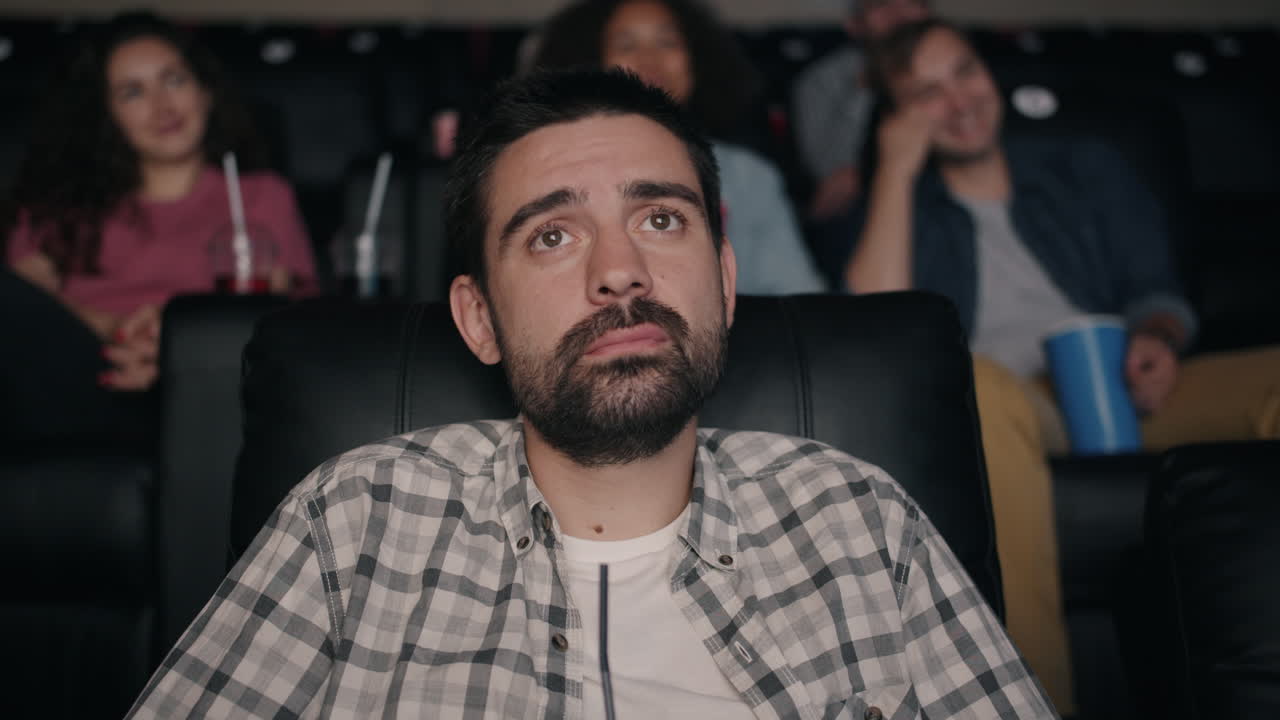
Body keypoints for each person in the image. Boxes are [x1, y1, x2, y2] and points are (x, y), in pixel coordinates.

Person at [128, 69, 1056, 719]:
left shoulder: (861, 520)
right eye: (553, 237)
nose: (622, 272)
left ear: (726, 285)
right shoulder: (354, 518)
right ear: (479, 319)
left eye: (660, 219)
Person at [842, 18, 1280, 715]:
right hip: (1016, 398)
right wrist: (895, 167)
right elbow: (879, 322)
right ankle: (1037, 704)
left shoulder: (1085, 164)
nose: (958, 101)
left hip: (1131, 377)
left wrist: (1157, 338)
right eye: (926, 94)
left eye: (965, 73)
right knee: (980, 389)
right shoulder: (909, 208)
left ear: (991, 76)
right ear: (900, 119)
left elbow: (1156, 288)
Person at [1, 12, 316, 446]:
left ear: (205, 92)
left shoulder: (260, 197)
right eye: (133, 92)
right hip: (68, 390)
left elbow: (295, 327)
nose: (162, 106)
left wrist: (175, 347)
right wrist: (119, 333)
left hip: (206, 393)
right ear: (105, 116)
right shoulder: (53, 211)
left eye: (174, 80)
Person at [534, 0, 827, 295]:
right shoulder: (553, 172)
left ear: (698, 61)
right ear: (589, 63)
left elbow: (799, 300)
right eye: (626, 45)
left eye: (667, 42)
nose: (649, 58)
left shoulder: (748, 176)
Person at [792, 0, 931, 220]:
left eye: (911, 1)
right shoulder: (819, 81)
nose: (899, 13)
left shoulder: (960, 66)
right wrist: (869, 84)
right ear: (854, 24)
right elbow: (833, 178)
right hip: (865, 207)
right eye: (881, 5)